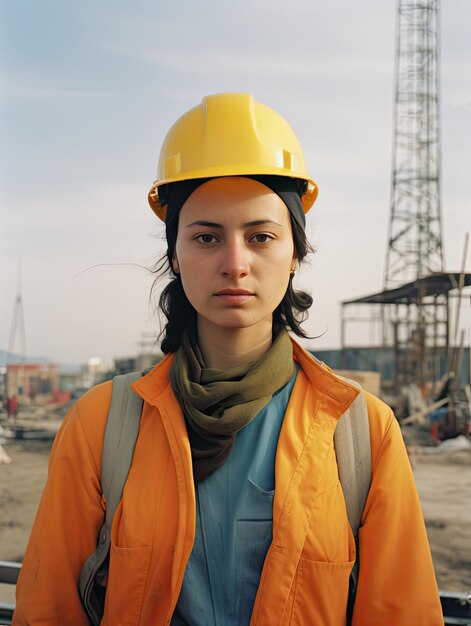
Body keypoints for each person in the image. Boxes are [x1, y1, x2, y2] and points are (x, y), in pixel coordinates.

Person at [13, 93, 444, 625]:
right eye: (207, 237)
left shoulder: (361, 433)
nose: (235, 264)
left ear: (295, 256)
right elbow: (49, 609)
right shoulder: (102, 424)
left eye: (261, 237)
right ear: (176, 256)